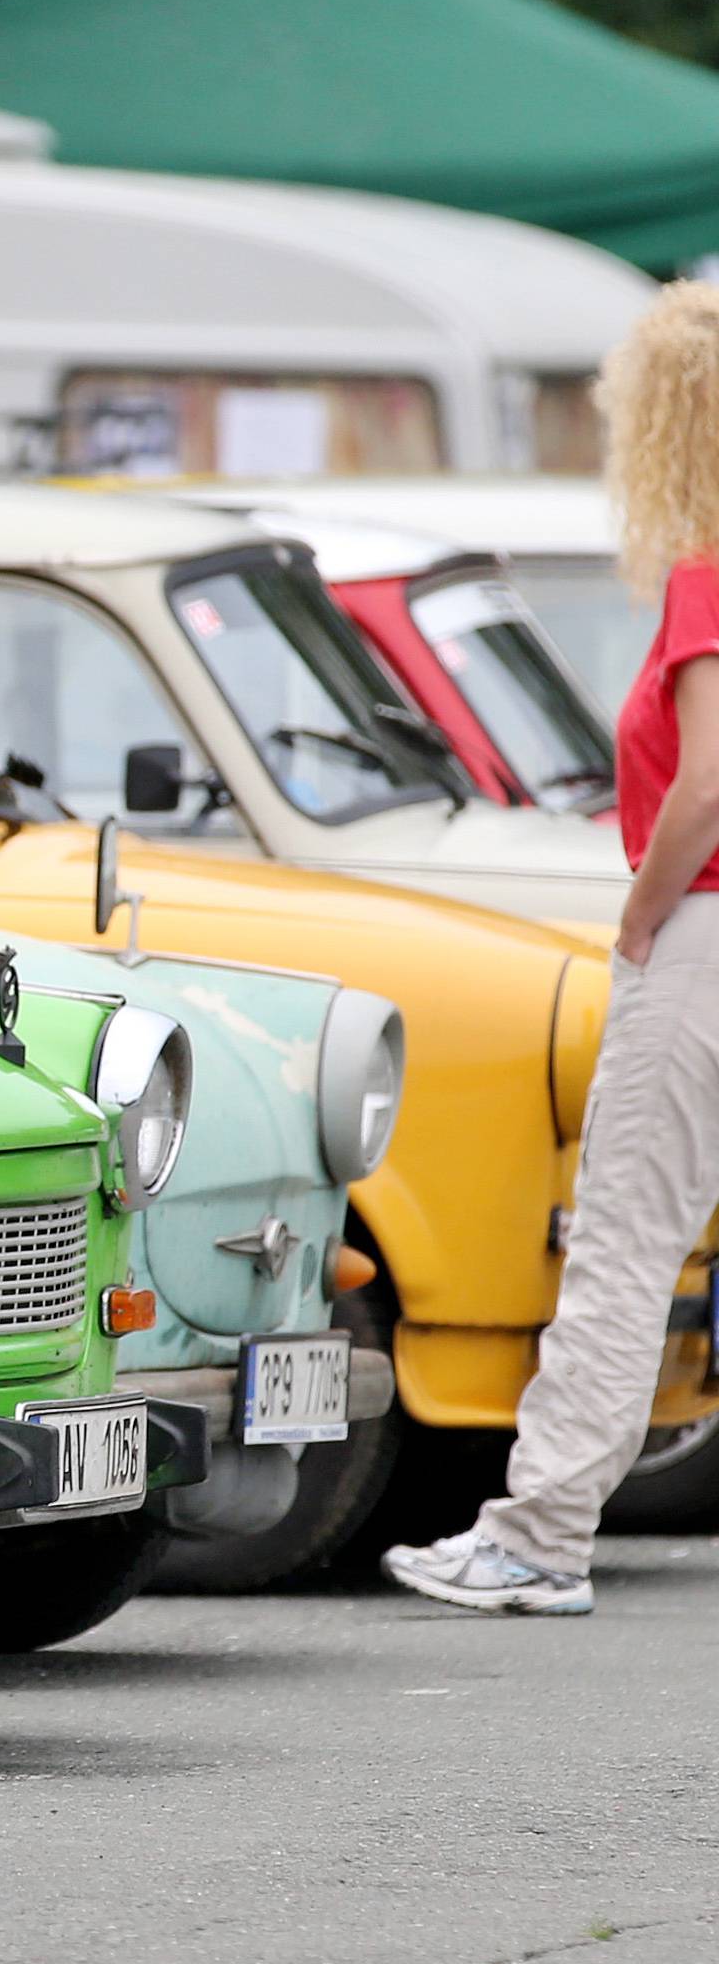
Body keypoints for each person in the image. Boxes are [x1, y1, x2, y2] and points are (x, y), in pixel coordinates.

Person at [385, 279, 719, 1614]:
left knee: (627, 1239)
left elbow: (705, 784)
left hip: (702, 937)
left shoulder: (705, 573)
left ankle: (540, 1531)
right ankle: (533, 1528)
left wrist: (644, 910)